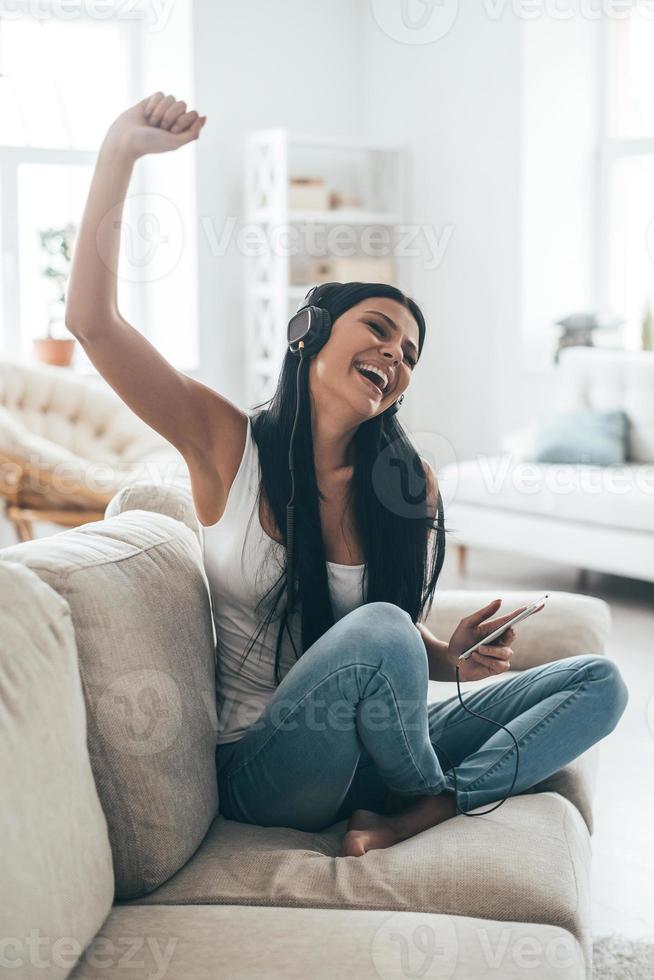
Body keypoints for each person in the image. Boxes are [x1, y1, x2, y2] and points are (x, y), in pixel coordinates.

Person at [66, 92, 630, 859]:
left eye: (410, 355)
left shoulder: (406, 485)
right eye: (380, 330)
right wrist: (119, 152)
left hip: (378, 751)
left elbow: (377, 646)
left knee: (600, 681)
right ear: (309, 334)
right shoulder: (227, 446)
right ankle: (430, 794)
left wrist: (449, 659)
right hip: (269, 768)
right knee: (384, 629)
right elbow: (93, 324)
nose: (396, 357)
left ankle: (418, 809)